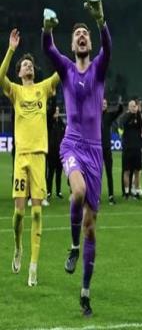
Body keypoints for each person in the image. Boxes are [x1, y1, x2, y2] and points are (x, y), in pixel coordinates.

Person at [42, 0, 111, 316]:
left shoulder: (98, 68)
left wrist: (101, 21)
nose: (82, 36)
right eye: (77, 34)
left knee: (91, 229)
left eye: (85, 33)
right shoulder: (66, 69)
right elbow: (48, 48)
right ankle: (72, 247)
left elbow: (108, 48)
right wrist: (46, 29)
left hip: (95, 153)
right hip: (71, 144)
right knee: (77, 191)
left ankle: (85, 293)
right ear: (72, 45)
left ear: (89, 42)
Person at [1, 28, 59, 287]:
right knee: (19, 214)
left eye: (31, 64)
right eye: (24, 65)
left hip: (39, 157)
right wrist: (11, 49)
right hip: (21, 157)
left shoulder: (43, 89)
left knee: (36, 213)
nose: (28, 66)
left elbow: (62, 71)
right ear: (19, 72)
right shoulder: (14, 90)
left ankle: (33, 267)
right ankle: (18, 247)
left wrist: (52, 43)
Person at [101, 97, 123, 205]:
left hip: (107, 148)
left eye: (105, 103)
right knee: (97, 175)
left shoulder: (109, 116)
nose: (103, 105)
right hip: (97, 149)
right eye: (102, 103)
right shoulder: (95, 115)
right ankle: (96, 197)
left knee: (109, 173)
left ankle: (111, 196)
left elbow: (119, 111)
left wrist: (120, 104)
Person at [121, 99, 142, 199]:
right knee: (126, 171)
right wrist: (131, 113)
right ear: (129, 107)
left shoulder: (138, 117)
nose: (134, 108)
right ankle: (126, 192)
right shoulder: (125, 116)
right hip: (127, 148)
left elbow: (141, 124)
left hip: (137, 148)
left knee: (137, 171)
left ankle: (137, 192)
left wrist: (137, 113)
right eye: (132, 106)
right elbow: (124, 123)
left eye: (135, 106)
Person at [47, 103, 65, 200]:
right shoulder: (49, 123)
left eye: (58, 111)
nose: (57, 112)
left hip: (60, 153)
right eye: (55, 111)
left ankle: (58, 192)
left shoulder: (62, 124)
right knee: (50, 173)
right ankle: (49, 191)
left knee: (59, 173)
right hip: (51, 153)